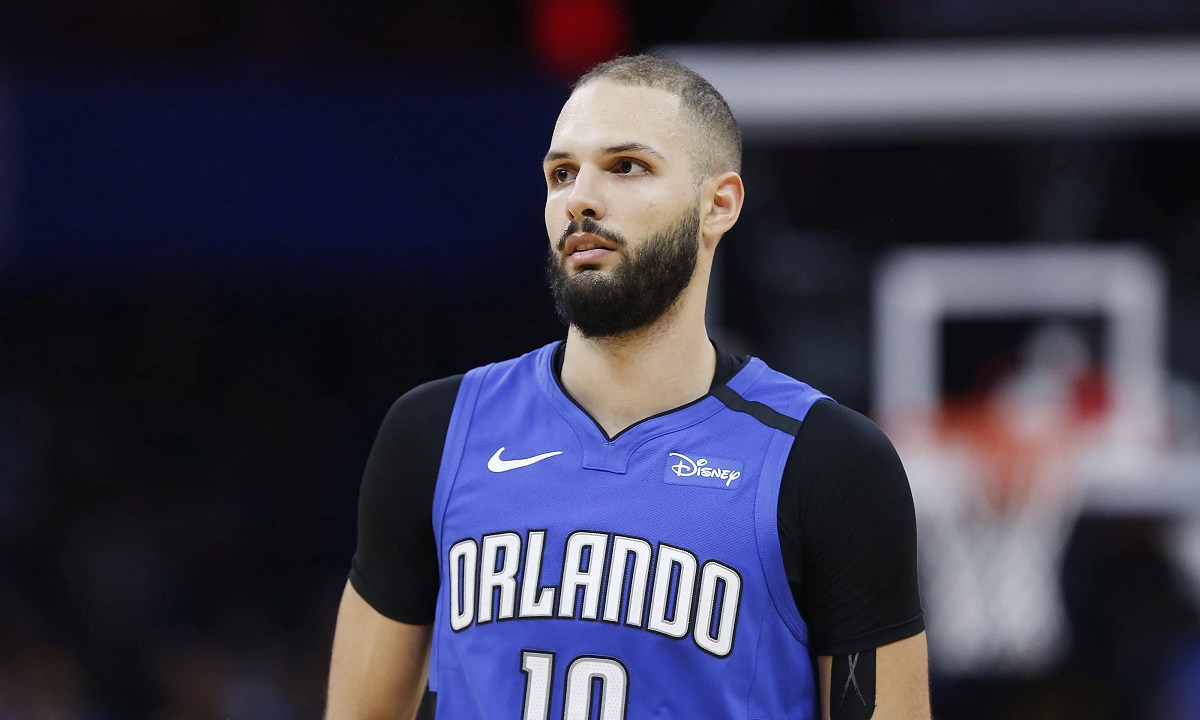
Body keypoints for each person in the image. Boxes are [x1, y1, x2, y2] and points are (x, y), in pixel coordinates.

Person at [326, 54, 930, 720]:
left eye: (627, 166)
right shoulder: (436, 433)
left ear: (718, 205)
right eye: (562, 174)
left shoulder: (828, 461)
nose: (580, 198)